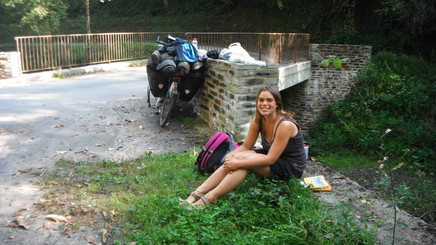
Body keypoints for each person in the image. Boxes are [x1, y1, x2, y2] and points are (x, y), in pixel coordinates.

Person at [180, 85, 306, 207]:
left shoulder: (285, 125)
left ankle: (208, 199)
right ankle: (195, 195)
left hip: (289, 167)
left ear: (277, 103)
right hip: (271, 158)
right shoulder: (259, 119)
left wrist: (238, 163)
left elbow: (271, 159)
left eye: (269, 100)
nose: (264, 104)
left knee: (242, 163)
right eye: (261, 100)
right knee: (238, 157)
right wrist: (230, 156)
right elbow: (246, 146)